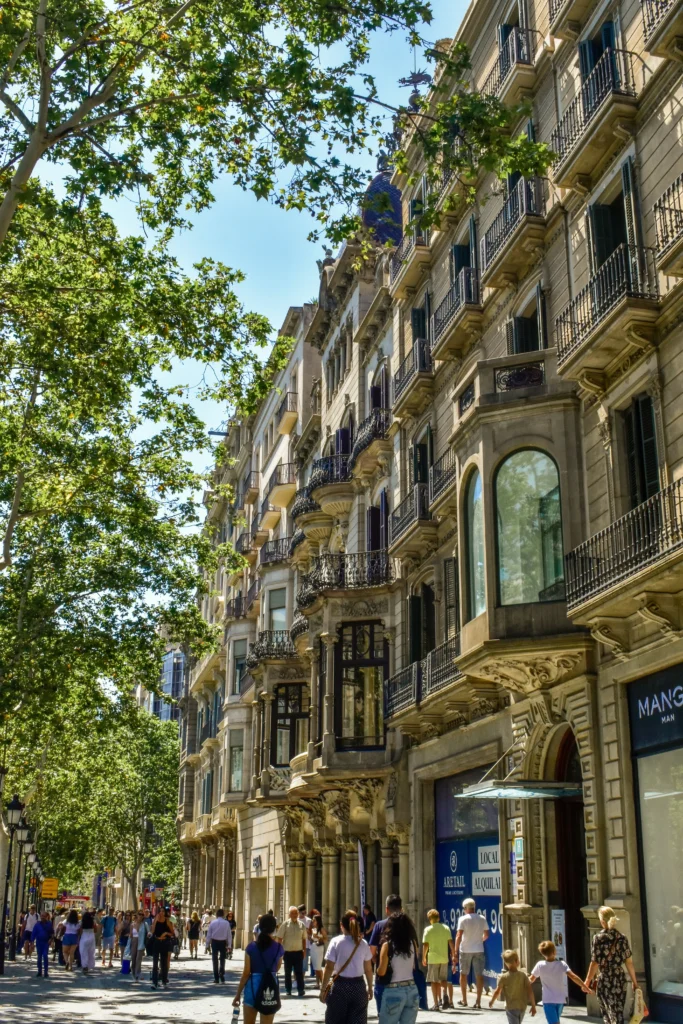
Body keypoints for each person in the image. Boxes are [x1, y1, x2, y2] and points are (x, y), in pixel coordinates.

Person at [584, 906, 640, 1024]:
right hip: (619, 978)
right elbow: (629, 962)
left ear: (602, 921)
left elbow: (594, 963)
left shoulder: (598, 938)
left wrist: (587, 981)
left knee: (608, 1015)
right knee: (618, 1012)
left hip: (605, 979)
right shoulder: (622, 938)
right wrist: (635, 983)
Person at [320, 910, 373, 1024]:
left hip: (339, 986)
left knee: (335, 1020)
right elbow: (368, 969)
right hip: (358, 987)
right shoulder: (363, 943)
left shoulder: (335, 942)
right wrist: (369, 987)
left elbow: (329, 968)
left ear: (341, 925)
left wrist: (323, 989)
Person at [233, 912, 284, 1024]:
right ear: (274, 928)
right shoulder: (279, 948)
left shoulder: (251, 947)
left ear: (259, 927)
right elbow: (277, 967)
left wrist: (238, 994)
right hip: (270, 987)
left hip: (253, 987)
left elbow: (246, 973)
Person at [376, 910, 421, 1024]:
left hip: (394, 989)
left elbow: (381, 972)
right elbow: (414, 966)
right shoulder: (412, 943)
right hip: (412, 989)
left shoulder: (387, 945)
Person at [529, 940, 589, 1024]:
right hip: (560, 999)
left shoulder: (540, 965)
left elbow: (531, 979)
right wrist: (584, 986)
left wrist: (520, 983)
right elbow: (573, 976)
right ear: (554, 952)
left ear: (542, 954)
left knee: (554, 1022)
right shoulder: (561, 964)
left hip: (548, 1000)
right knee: (556, 1021)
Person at [369, 894, 403, 1013]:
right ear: (401, 908)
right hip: (405, 980)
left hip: (385, 978)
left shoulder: (379, 925)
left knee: (384, 1017)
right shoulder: (408, 926)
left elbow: (371, 951)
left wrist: (377, 960)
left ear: (386, 909)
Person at [454, 897, 490, 1008]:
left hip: (465, 949)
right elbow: (487, 934)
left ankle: (464, 1000)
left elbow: (459, 935)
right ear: (474, 907)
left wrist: (455, 951)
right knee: (479, 975)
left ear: (465, 908)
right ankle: (478, 1001)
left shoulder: (462, 919)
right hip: (479, 949)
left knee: (463, 974)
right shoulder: (482, 918)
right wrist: (479, 940)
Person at [490, 948, 537, 1024]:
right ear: (517, 961)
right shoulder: (523, 976)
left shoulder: (504, 977)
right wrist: (533, 1005)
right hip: (522, 1006)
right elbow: (530, 991)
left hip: (510, 1006)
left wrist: (492, 1001)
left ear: (505, 963)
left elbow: (497, 991)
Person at [422, 908, 455, 1011]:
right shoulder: (445, 928)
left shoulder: (428, 929)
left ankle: (436, 1004)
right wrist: (453, 954)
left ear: (429, 919)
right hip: (444, 958)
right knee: (443, 979)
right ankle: (445, 992)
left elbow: (426, 945)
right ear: (438, 918)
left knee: (434, 981)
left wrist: (423, 957)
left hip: (433, 958)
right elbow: (450, 943)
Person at [277, 905, 307, 997]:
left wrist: (304, 950)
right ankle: (288, 989)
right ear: (289, 914)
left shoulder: (301, 925)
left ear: (298, 914)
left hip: (298, 952)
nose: (294, 915)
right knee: (287, 973)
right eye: (292, 913)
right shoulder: (285, 924)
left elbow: (304, 939)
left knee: (299, 972)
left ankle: (300, 990)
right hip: (288, 953)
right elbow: (279, 938)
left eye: (296, 913)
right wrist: (279, 951)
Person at [150, 906, 175, 990]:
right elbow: (152, 931)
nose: (161, 913)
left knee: (164, 963)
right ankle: (154, 982)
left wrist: (166, 933)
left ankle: (164, 981)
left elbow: (172, 933)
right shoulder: (155, 920)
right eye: (160, 911)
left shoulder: (167, 921)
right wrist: (155, 921)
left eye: (163, 911)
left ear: (165, 913)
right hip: (156, 942)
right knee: (155, 963)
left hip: (164, 943)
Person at [207, 908, 232, 984]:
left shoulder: (212, 923)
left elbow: (209, 934)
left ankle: (216, 977)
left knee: (214, 959)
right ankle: (221, 973)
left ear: (217, 915)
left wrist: (207, 944)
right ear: (223, 914)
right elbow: (229, 935)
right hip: (223, 942)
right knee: (222, 959)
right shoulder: (226, 923)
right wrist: (229, 945)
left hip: (214, 942)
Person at [32, 911, 54, 978]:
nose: (42, 917)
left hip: (46, 942)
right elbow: (33, 934)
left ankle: (46, 972)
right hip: (39, 942)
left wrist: (51, 939)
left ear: (46, 916)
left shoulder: (49, 924)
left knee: (45, 956)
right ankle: (39, 971)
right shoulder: (37, 925)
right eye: (41, 916)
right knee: (39, 957)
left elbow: (52, 933)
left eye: (44, 916)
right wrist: (32, 942)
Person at [310, 912, 328, 989]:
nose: (313, 922)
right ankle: (317, 983)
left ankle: (323, 983)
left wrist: (317, 936)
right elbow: (312, 938)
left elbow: (326, 939)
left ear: (318, 921)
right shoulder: (313, 929)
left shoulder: (321, 929)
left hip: (319, 947)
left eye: (314, 920)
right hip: (313, 946)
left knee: (318, 966)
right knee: (315, 966)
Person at [133, 911, 150, 981]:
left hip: (141, 943)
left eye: (142, 915)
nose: (140, 916)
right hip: (133, 943)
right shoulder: (133, 924)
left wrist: (149, 934)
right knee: (133, 959)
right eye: (139, 914)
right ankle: (134, 973)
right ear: (137, 915)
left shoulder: (145, 924)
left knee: (138, 959)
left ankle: (137, 975)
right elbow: (130, 936)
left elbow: (149, 932)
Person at [298, 904, 312, 977]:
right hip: (296, 944)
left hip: (305, 945)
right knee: (296, 963)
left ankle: (302, 980)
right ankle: (296, 980)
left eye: (304, 913)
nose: (303, 915)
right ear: (298, 912)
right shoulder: (296, 920)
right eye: (302, 913)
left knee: (304, 963)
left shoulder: (308, 920)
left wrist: (307, 931)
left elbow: (311, 932)